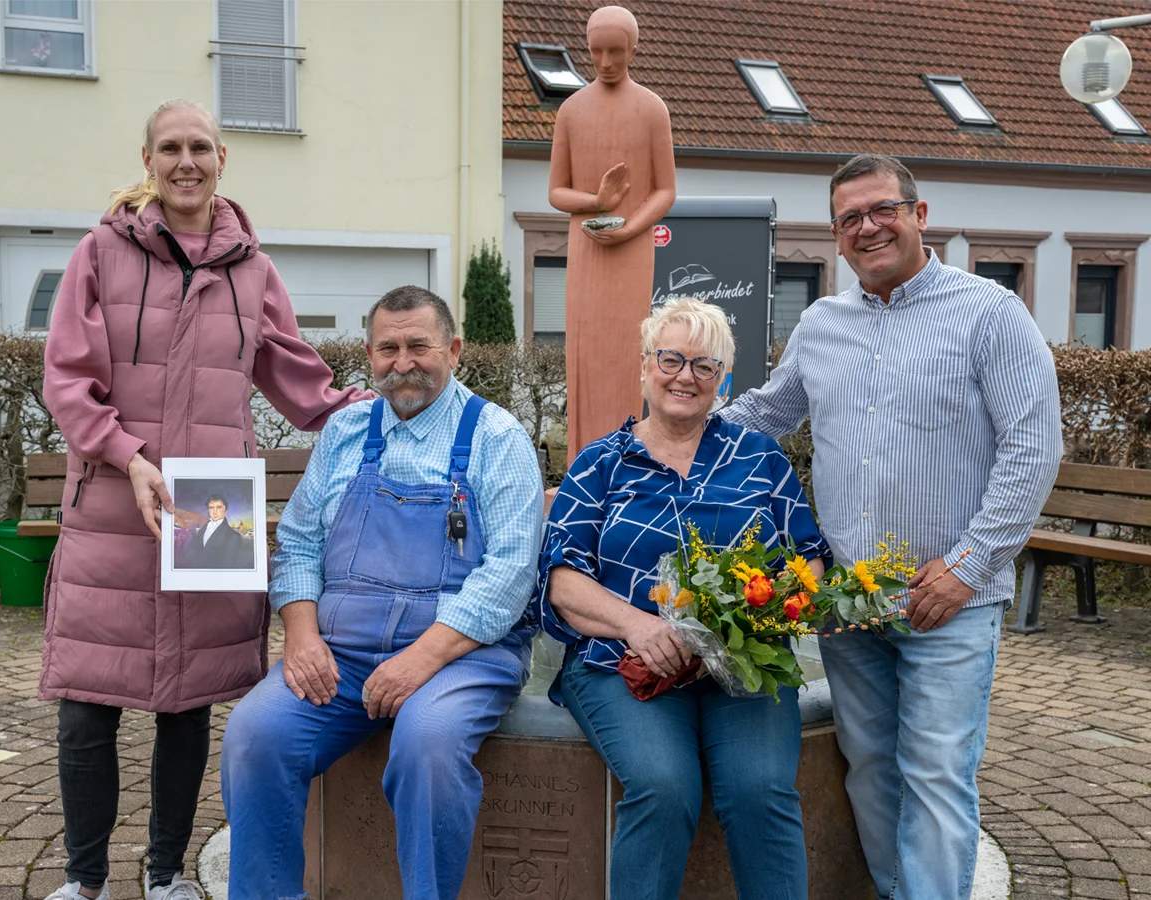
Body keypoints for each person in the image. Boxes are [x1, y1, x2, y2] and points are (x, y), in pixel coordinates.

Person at [40, 99, 371, 900]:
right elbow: (67, 381)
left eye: (199, 147)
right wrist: (128, 456)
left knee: (186, 704)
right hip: (117, 502)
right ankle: (84, 883)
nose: (185, 161)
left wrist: (385, 406)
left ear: (222, 157)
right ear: (148, 160)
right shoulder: (99, 252)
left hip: (214, 505)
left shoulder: (254, 269)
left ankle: (164, 876)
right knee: (87, 706)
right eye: (169, 149)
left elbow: (300, 379)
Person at [723, 153, 1062, 900]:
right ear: (837, 236)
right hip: (851, 603)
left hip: (952, 600)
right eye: (851, 218)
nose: (868, 227)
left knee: (937, 773)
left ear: (920, 215)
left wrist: (969, 565)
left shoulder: (989, 312)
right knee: (871, 763)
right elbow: (764, 416)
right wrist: (657, 434)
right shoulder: (822, 324)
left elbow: (1033, 449)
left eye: (883, 210)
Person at [221, 286, 545, 900]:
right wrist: (301, 632)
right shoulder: (345, 431)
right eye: (388, 348)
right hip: (340, 654)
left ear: (452, 350)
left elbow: (508, 575)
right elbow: (297, 544)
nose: (404, 362)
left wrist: (419, 660)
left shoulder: (497, 437)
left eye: (419, 346)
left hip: (462, 655)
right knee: (254, 736)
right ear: (368, 355)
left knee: (427, 746)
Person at [538, 297, 830, 900]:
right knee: (664, 786)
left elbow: (810, 559)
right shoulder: (600, 463)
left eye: (704, 366)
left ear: (723, 378)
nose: (685, 377)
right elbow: (563, 581)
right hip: (624, 665)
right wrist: (638, 627)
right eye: (671, 360)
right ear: (646, 366)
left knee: (761, 790)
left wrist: (761, 614)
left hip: (742, 666)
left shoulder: (759, 458)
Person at [548, 4, 676, 459]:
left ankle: (626, 459)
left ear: (633, 49)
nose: (605, 62)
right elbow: (556, 192)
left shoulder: (651, 109)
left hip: (632, 250)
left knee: (626, 352)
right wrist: (596, 204)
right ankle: (584, 461)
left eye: (615, 51)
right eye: (596, 51)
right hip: (587, 249)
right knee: (584, 351)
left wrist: (630, 229)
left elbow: (664, 191)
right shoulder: (571, 110)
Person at [180, 495, 253, 569]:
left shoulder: (233, 536)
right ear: (208, 510)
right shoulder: (202, 530)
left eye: (218, 507)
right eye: (211, 507)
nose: (214, 511)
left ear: (225, 510)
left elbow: (228, 566)